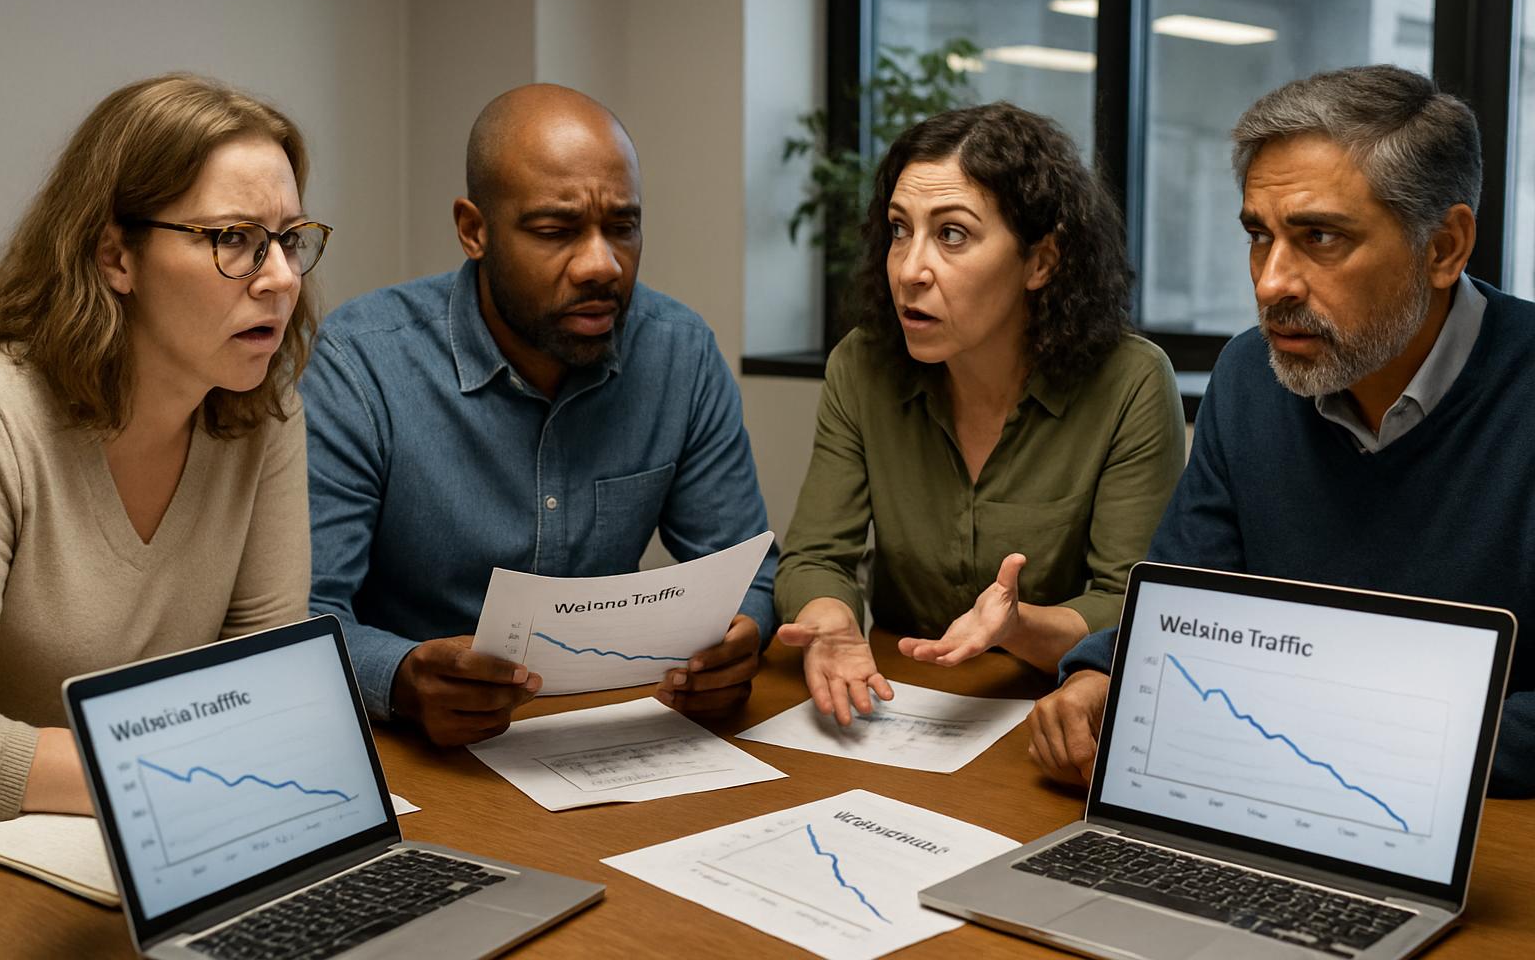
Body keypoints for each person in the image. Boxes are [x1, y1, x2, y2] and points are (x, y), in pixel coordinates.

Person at [1024, 64, 1535, 797]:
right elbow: (1185, 601)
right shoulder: (1250, 375)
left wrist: (1328, 729)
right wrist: (1104, 673)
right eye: (1258, 237)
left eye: (1319, 236)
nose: (1270, 283)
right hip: (1269, 794)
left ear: (1445, 248)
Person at [303, 84, 776, 746]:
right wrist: (402, 679)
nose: (601, 264)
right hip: (426, 751)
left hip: (616, 738)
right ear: (474, 230)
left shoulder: (679, 352)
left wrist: (741, 637)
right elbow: (305, 618)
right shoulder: (366, 363)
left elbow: (750, 571)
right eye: (556, 232)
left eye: (623, 227)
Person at [773, 103, 1185, 725]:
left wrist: (1016, 626)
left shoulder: (1130, 382)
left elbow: (1130, 604)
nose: (910, 270)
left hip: (1050, 709)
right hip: (895, 700)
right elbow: (813, 558)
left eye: (952, 235)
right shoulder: (861, 366)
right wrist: (829, 621)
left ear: (1041, 262)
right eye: (899, 230)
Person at [0, 74, 322, 820]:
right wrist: (168, 771)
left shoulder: (263, 412)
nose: (279, 279)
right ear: (117, 257)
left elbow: (269, 682)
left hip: (182, 828)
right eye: (234, 239)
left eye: (289, 241)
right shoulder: (11, 422)